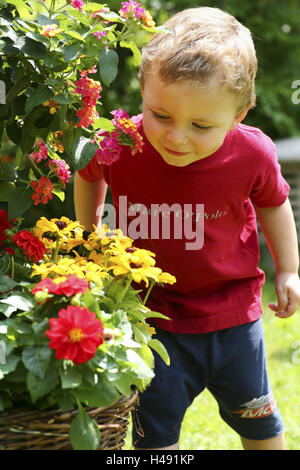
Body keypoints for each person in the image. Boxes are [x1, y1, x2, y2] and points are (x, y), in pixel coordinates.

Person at [74, 7, 300, 450]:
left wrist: (289, 269)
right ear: (142, 91)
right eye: (160, 114)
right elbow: (88, 172)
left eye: (200, 125)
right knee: (153, 436)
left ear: (240, 114)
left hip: (234, 317)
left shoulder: (251, 153)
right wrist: (87, 240)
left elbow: (274, 204)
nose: (175, 136)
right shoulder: (122, 141)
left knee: (260, 425)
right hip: (153, 320)